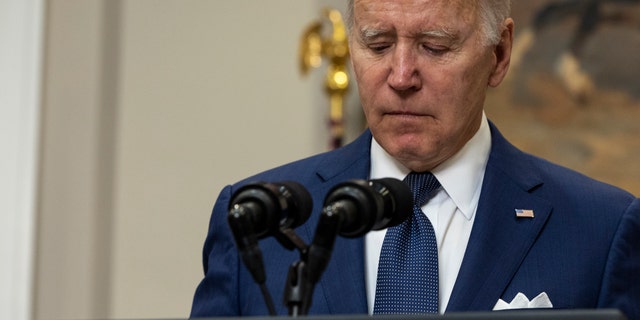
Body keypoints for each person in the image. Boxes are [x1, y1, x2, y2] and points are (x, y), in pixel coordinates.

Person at [190, 0, 640, 318]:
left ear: (499, 54)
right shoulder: (258, 223)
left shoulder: (600, 231)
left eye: (435, 46)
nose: (401, 76)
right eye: (378, 44)